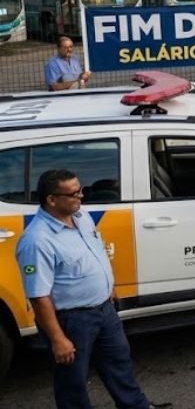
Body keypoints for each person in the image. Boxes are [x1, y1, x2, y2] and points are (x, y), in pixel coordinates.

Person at [16, 169, 171, 409]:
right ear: (51, 199)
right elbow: (38, 295)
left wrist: (110, 285)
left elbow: (95, 251)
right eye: (74, 193)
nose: (81, 197)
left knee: (119, 363)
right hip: (71, 320)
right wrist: (58, 339)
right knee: (72, 381)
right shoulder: (37, 241)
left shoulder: (80, 216)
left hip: (103, 310)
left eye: (81, 190)